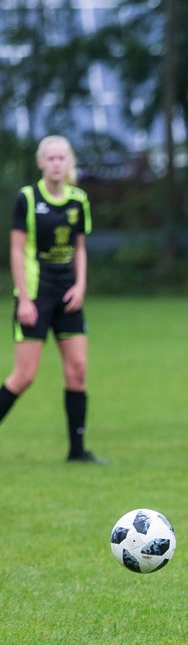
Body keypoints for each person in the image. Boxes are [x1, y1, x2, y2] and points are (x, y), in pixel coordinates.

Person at [0, 135, 106, 463]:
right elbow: (17, 251)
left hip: (68, 295)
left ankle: (77, 451)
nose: (57, 164)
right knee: (24, 375)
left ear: (69, 162)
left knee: (77, 370)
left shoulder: (78, 200)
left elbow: (80, 248)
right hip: (35, 294)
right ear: (40, 162)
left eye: (62, 158)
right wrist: (25, 299)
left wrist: (81, 285)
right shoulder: (28, 198)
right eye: (51, 158)